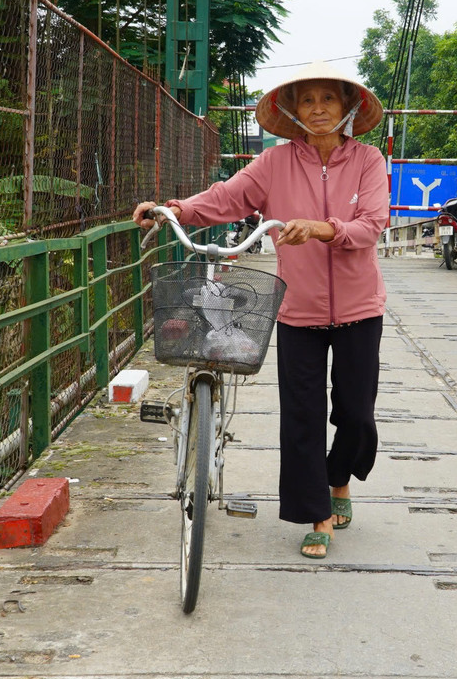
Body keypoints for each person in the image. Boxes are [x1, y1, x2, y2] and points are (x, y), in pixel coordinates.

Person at [134, 62, 388, 559]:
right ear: (293, 111)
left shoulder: (368, 160)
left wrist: (321, 228)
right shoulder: (274, 163)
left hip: (360, 307)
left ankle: (339, 478)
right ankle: (317, 514)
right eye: (307, 100)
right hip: (297, 310)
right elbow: (227, 198)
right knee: (302, 416)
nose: (318, 109)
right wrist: (177, 210)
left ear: (347, 106)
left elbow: (371, 224)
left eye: (328, 99)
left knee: (357, 414)